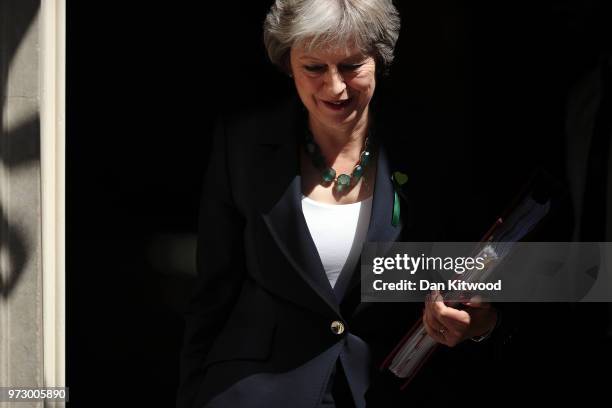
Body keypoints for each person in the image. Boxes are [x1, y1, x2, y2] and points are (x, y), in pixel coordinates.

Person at [176, 1, 507, 407]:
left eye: (351, 66)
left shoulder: (430, 152)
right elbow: (212, 295)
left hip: (382, 389)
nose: (335, 87)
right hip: (254, 392)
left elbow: (480, 274)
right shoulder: (241, 145)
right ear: (288, 63)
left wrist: (480, 323)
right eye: (314, 68)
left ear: (378, 60)